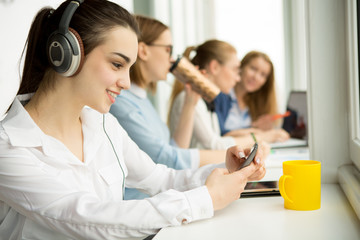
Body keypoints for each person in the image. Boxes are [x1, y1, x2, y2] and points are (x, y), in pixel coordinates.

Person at [0, 1, 266, 239]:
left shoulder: (103, 125)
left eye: (129, 68)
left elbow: (159, 179)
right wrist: (205, 199)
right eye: (117, 64)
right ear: (66, 55)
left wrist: (224, 171)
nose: (126, 82)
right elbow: (83, 217)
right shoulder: (8, 146)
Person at [109, 16, 250, 200]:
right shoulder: (121, 102)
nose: (172, 58)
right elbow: (167, 159)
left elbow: (174, 150)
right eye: (168, 50)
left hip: (160, 198)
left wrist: (190, 102)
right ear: (143, 50)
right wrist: (227, 157)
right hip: (143, 203)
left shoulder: (142, 100)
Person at [168, 40, 260, 150]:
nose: (238, 78)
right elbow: (214, 145)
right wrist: (258, 138)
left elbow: (216, 139)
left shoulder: (209, 101)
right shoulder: (188, 99)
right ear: (215, 67)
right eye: (235, 70)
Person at [214, 51, 290, 143]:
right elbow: (218, 136)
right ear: (241, 67)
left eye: (263, 75)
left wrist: (263, 129)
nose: (256, 77)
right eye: (253, 69)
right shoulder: (221, 95)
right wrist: (257, 132)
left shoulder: (258, 102)